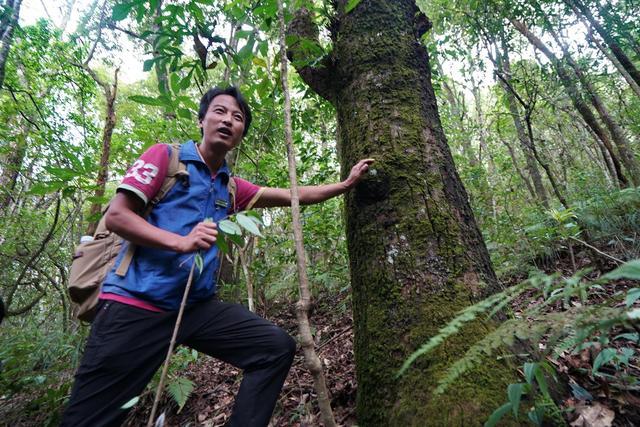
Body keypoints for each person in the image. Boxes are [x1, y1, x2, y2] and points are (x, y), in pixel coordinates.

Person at [61, 86, 373, 427]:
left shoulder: (231, 187)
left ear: (241, 134)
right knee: (89, 420)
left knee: (273, 348)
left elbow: (291, 195)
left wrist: (345, 185)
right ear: (202, 120)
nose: (227, 120)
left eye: (237, 117)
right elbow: (118, 216)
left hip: (194, 309)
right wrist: (180, 243)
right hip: (134, 305)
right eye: (220, 111)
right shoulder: (165, 158)